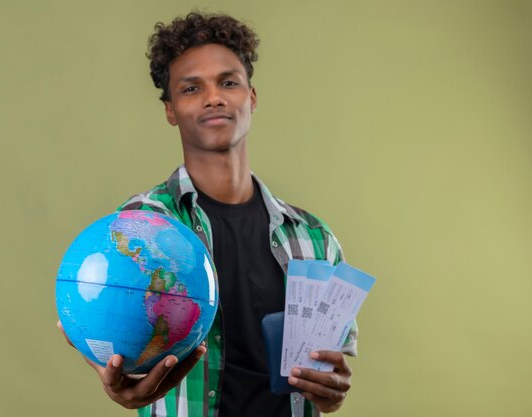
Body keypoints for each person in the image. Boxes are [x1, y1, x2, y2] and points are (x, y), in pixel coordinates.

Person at [58, 12, 358, 417]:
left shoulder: (313, 238)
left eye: (228, 82)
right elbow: (104, 334)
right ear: (170, 109)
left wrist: (333, 390)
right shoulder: (138, 226)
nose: (213, 97)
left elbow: (333, 369)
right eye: (191, 88)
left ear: (251, 97)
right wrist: (120, 386)